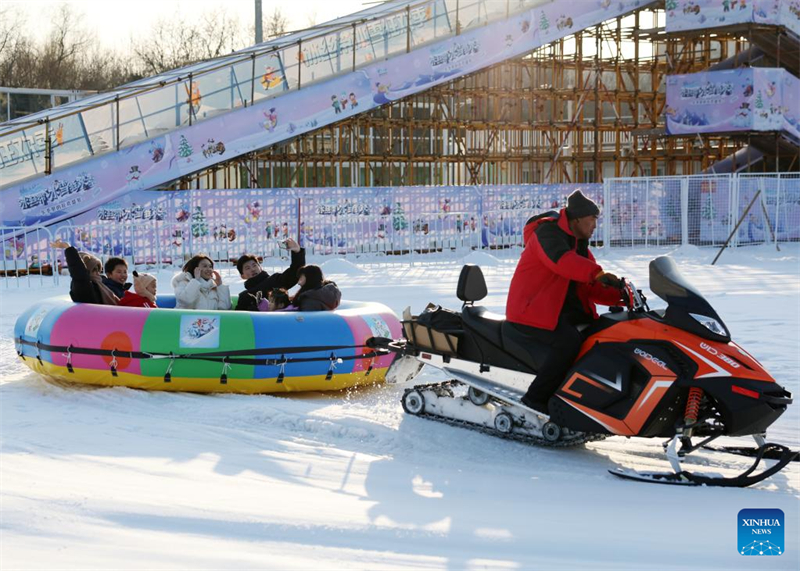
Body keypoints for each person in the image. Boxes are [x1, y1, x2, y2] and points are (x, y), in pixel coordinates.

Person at [505, 190, 624, 415]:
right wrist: (597, 274)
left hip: (558, 310)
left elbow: (589, 285)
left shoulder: (579, 246)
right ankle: (535, 399)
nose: (595, 226)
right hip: (530, 311)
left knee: (599, 333)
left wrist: (620, 295)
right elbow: (563, 262)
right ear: (577, 219)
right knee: (568, 341)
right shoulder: (547, 234)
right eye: (592, 220)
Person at [234, 238, 305, 311]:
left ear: (260, 267)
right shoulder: (244, 296)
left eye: (254, 265)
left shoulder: (274, 281)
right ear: (242, 276)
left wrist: (297, 252)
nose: (253, 269)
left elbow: (294, 274)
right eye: (247, 268)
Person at [51, 239, 119, 305]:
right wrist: (68, 248)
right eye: (94, 270)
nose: (98, 273)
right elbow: (78, 271)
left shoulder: (101, 284)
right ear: (87, 271)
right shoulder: (83, 285)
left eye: (98, 270)